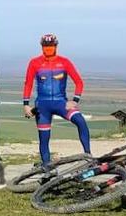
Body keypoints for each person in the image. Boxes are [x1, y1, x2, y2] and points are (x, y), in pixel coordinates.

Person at [22, 33, 90, 165]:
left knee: (80, 121)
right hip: (42, 106)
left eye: (51, 46)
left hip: (61, 103)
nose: (48, 49)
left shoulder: (64, 62)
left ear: (56, 46)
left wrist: (74, 101)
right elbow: (28, 84)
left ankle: (88, 156)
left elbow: (79, 82)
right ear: (42, 47)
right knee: (44, 138)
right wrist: (26, 105)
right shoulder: (34, 62)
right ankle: (47, 166)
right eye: (45, 46)